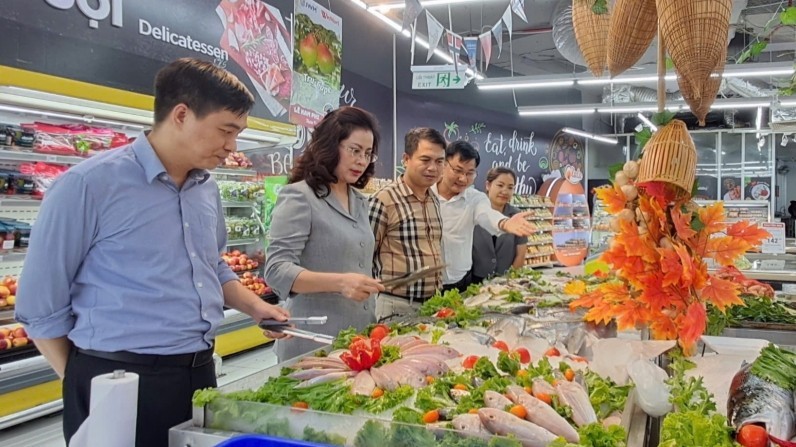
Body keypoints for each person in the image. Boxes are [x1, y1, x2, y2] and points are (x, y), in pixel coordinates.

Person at [14, 58, 290, 447]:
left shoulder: (206, 189)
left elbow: (211, 267)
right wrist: (83, 380)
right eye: (226, 130)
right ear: (181, 115)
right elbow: (39, 306)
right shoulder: (88, 185)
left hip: (198, 374)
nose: (232, 146)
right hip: (115, 376)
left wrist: (257, 307)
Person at [265, 107, 384, 361]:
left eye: (367, 154)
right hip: (313, 342)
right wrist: (341, 283)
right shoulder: (300, 196)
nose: (362, 161)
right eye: (354, 150)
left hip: (358, 337)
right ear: (330, 146)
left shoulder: (360, 201)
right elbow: (276, 270)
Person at [433, 141, 535, 292]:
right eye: (458, 170)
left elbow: (486, 214)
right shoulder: (426, 194)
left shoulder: (475, 199)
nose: (463, 179)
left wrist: (504, 223)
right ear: (443, 164)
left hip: (462, 282)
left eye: (470, 173)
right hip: (427, 282)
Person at [369, 128, 446, 320]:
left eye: (439, 161)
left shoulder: (433, 199)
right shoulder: (384, 200)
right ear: (406, 159)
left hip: (432, 305)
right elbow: (363, 255)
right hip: (397, 306)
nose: (433, 168)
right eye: (425, 160)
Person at [471, 167, 529, 284]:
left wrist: (510, 280)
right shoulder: (475, 211)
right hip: (474, 280)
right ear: (488, 185)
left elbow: (520, 254)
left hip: (505, 281)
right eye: (500, 185)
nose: (505, 191)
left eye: (510, 187)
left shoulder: (516, 215)